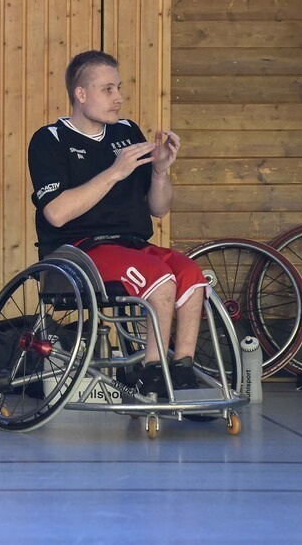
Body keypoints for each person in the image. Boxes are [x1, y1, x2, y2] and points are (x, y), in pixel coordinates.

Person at [27, 50, 206, 398]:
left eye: (119, 88)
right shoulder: (50, 140)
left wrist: (160, 170)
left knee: (190, 275)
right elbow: (57, 213)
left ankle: (182, 371)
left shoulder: (127, 133)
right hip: (79, 251)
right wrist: (114, 172)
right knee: (160, 278)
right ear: (81, 94)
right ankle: (151, 374)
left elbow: (158, 208)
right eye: (107, 89)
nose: (118, 98)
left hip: (131, 246)